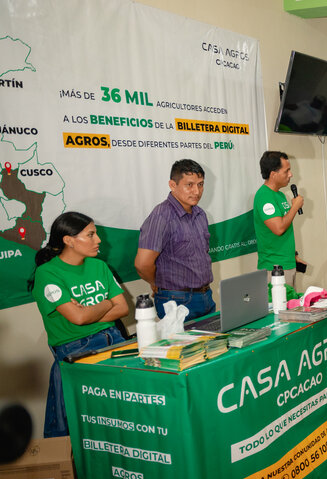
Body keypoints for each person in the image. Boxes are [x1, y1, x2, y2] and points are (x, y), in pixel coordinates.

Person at [30, 212, 128, 437]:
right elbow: (79, 319)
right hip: (77, 351)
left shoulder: (99, 267)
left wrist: (88, 311)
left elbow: (122, 308)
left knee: (126, 418)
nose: (99, 240)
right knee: (86, 429)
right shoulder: (47, 274)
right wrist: (105, 303)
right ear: (69, 240)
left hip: (116, 341)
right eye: (91, 235)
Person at [135, 159, 215, 320]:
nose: (197, 191)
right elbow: (142, 264)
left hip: (206, 296)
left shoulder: (200, 214)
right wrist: (155, 282)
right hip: (176, 300)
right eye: (189, 185)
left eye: (200, 184)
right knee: (185, 347)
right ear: (172, 185)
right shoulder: (161, 215)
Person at [253, 151, 304, 286]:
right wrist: (295, 207)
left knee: (291, 306)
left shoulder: (279, 195)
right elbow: (279, 228)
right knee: (280, 307)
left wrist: (293, 255)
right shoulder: (264, 196)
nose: (290, 175)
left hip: (287, 263)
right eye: (286, 171)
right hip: (275, 269)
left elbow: (284, 229)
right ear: (273, 174)